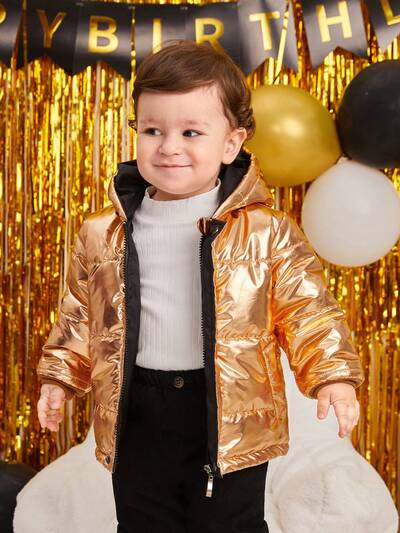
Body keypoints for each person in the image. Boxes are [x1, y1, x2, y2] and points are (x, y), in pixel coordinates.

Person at [36, 40, 365, 533]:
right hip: (137, 407)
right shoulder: (103, 232)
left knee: (230, 523)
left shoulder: (267, 232)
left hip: (230, 410)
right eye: (153, 130)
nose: (169, 146)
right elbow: (81, 314)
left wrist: (332, 375)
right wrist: (59, 377)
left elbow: (309, 312)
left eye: (191, 132)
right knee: (142, 521)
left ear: (231, 144)